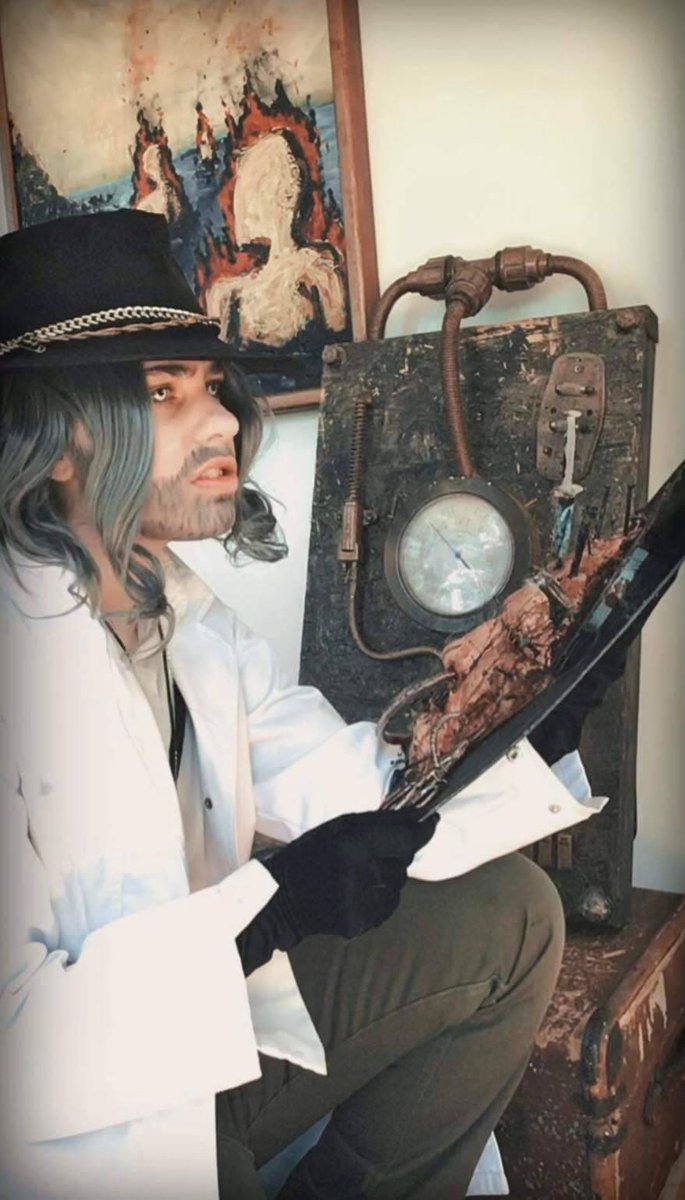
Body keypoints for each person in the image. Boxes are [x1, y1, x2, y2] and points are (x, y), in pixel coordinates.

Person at [0, 210, 608, 1200]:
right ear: (54, 440)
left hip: (213, 1045)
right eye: (161, 393)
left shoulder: (187, 618)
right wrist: (259, 920)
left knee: (510, 915)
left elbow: (350, 788)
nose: (222, 424)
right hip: (78, 1132)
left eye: (212, 387)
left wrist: (526, 731)